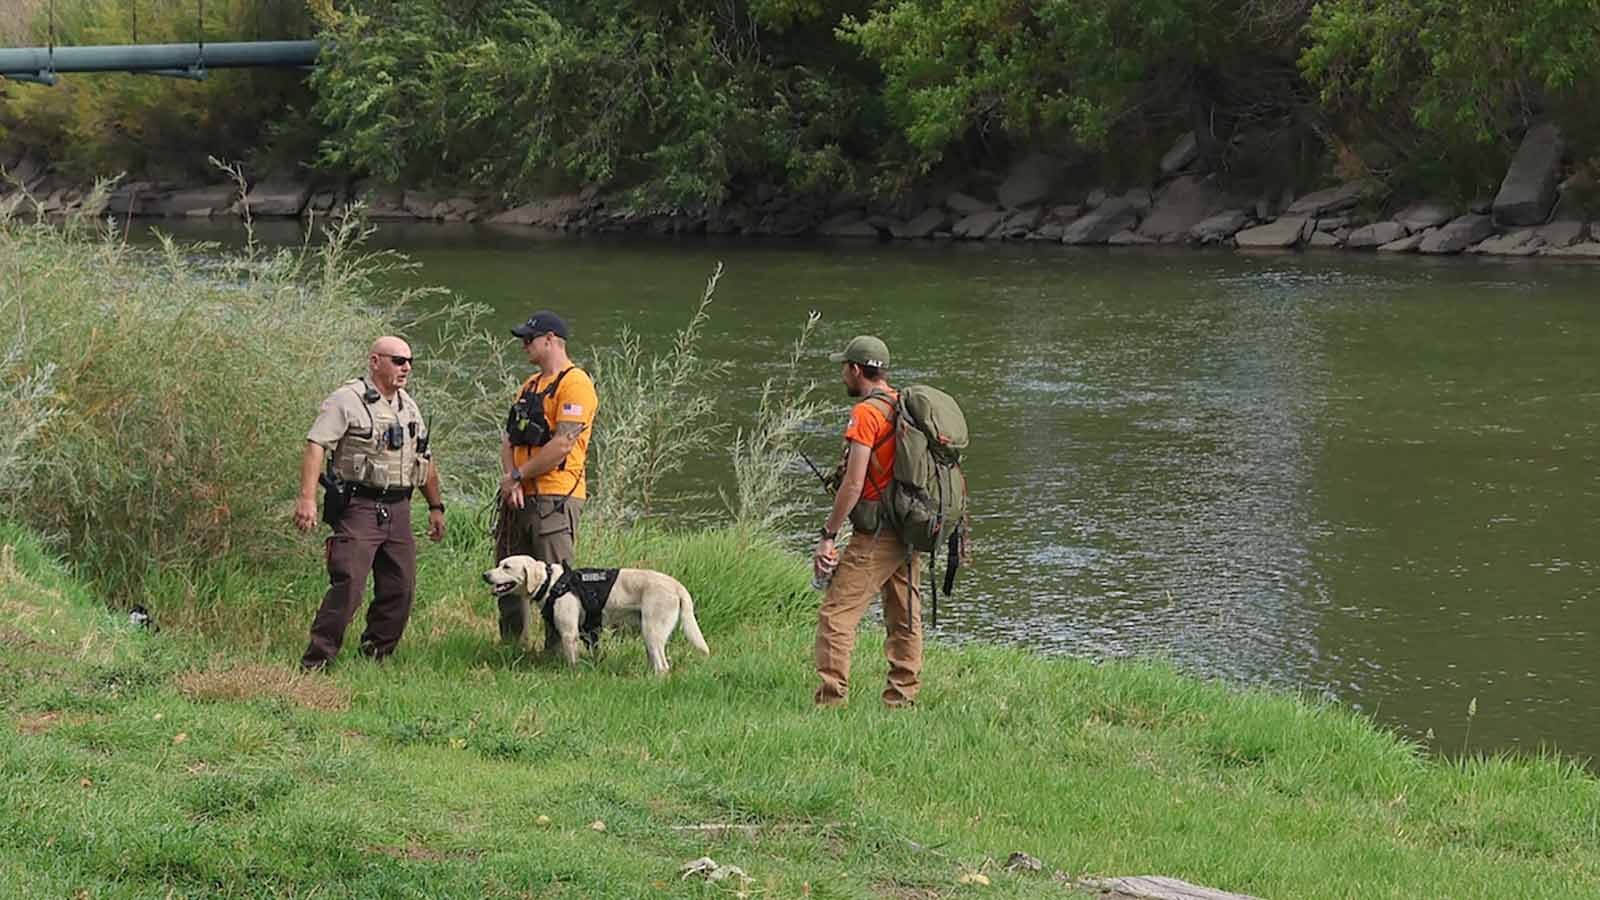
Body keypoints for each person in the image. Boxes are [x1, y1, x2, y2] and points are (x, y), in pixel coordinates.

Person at [294, 336, 446, 671]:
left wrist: (436, 507)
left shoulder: (408, 406)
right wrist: (307, 498)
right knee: (348, 585)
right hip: (359, 506)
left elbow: (424, 459)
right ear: (375, 361)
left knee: (401, 588)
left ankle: (376, 656)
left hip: (399, 507)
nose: (406, 367)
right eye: (398, 360)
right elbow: (316, 444)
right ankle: (316, 661)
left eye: (409, 361)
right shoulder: (346, 399)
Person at [812, 334, 923, 708]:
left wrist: (829, 534)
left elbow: (854, 482)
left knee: (836, 615)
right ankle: (901, 699)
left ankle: (830, 701)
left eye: (844, 368)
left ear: (857, 369)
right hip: (909, 526)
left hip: (876, 533)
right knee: (904, 616)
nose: (843, 375)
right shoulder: (904, 406)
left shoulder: (866, 414)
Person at [495, 310, 598, 649]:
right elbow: (508, 438)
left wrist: (518, 475)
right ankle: (512, 648)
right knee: (507, 575)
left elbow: (563, 444)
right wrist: (511, 481)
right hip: (518, 496)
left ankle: (559, 653)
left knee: (557, 584)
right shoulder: (529, 386)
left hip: (555, 499)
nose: (524, 346)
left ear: (550, 340)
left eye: (529, 339)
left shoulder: (576, 384)